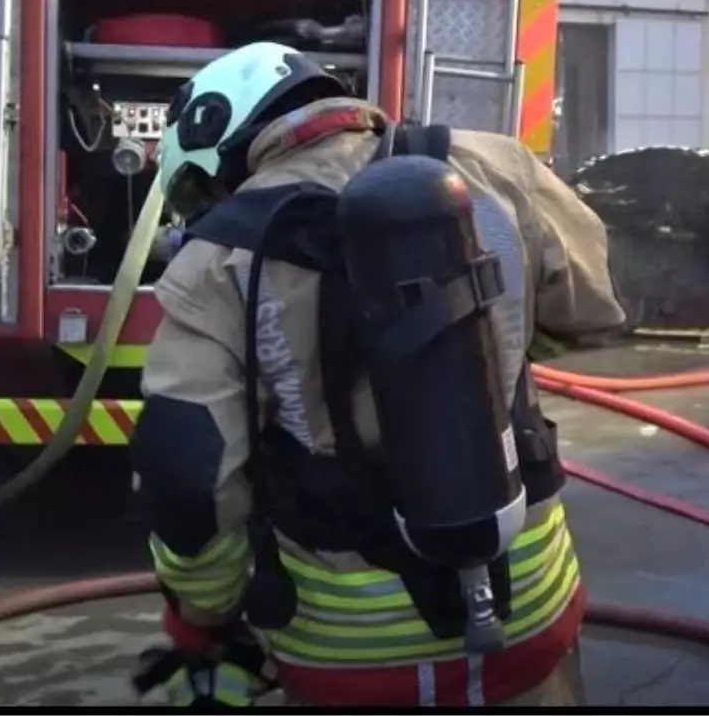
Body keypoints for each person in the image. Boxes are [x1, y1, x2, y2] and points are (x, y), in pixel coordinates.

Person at [130, 42, 626, 707]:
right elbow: (592, 310)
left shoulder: (216, 258)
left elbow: (190, 473)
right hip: (530, 616)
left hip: (351, 651)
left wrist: (202, 615)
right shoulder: (497, 166)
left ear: (222, 138)